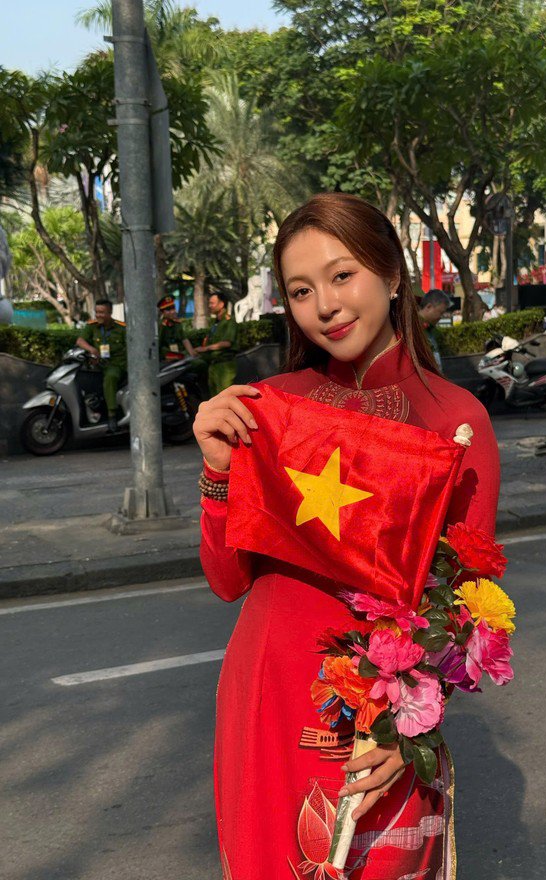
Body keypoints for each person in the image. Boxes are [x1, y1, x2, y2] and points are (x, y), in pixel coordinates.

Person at [193, 193, 500, 879]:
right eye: (301, 291)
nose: (325, 306)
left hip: (377, 719)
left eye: (342, 275)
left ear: (391, 274)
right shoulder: (269, 407)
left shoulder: (455, 420)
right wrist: (217, 473)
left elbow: (469, 604)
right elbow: (227, 580)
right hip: (268, 694)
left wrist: (410, 726)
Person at [76, 299, 126, 432]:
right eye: (97, 312)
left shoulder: (121, 328)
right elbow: (80, 341)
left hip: (115, 365)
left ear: (110, 312)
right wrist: (91, 349)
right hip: (98, 364)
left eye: (102, 312)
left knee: (110, 377)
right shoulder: (92, 326)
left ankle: (112, 415)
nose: (98, 315)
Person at [195, 292, 238, 396]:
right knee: (214, 400)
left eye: (212, 303)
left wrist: (206, 349)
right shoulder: (215, 322)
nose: (210, 306)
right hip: (213, 366)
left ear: (222, 304)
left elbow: (227, 343)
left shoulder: (229, 321)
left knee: (225, 398)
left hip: (224, 367)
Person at [418, 288, 455, 370]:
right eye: (440, 313)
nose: (440, 317)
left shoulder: (431, 329)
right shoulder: (414, 328)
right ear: (429, 307)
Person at [157, 294, 196, 361]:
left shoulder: (177, 323)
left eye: (173, 308)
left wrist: (192, 354)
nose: (172, 312)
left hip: (179, 354)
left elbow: (184, 339)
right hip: (166, 357)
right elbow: (158, 345)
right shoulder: (161, 325)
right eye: (168, 310)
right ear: (163, 312)